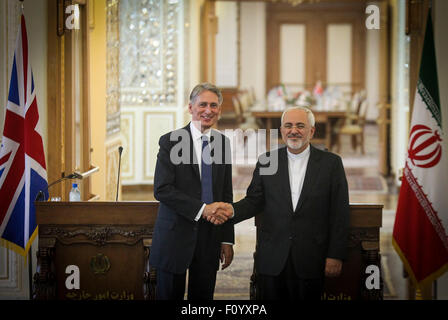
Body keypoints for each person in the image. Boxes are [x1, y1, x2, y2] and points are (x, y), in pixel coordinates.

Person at [208, 106, 350, 300]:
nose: (294, 130)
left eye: (300, 126)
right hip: (272, 258)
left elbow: (339, 212)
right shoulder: (267, 161)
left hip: (312, 258)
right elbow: (254, 201)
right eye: (288, 126)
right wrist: (232, 210)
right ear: (281, 130)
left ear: (312, 131)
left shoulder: (331, 164)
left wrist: (335, 255)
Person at [149, 83, 234, 300]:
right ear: (190, 107)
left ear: (219, 110)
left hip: (209, 237)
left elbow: (225, 194)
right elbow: (162, 189)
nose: (208, 110)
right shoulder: (170, 141)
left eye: (213, 105)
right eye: (202, 104)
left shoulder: (223, 144)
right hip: (175, 235)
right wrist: (203, 209)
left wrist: (227, 240)